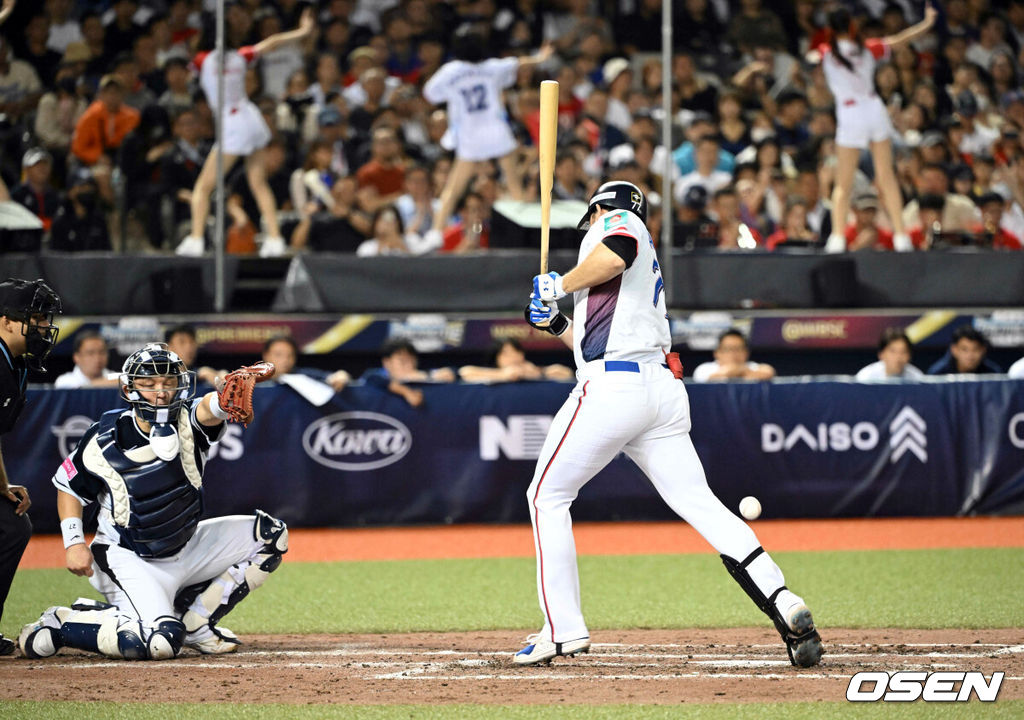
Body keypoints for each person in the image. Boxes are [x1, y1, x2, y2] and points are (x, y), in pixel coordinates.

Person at [519, 181, 822, 667]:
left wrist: (559, 284)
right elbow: (594, 340)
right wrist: (555, 323)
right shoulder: (627, 266)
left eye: (592, 215)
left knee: (545, 496)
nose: (591, 224)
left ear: (600, 208)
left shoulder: (622, 222)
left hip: (617, 390)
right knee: (702, 506)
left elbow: (616, 252)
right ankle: (784, 600)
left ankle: (562, 630)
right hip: (656, 391)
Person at [18, 343, 288, 660]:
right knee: (158, 643)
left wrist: (223, 397)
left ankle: (196, 623)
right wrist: (74, 542)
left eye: (168, 382)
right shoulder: (104, 437)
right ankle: (63, 623)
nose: (160, 392)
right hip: (127, 556)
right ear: (130, 387)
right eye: (149, 383)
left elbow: (211, 407)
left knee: (270, 535)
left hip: (185, 545)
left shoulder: (190, 420)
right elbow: (69, 487)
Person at [176, 9, 314, 259]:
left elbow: (191, 74)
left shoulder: (200, 60)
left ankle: (195, 240)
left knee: (203, 187)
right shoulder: (242, 57)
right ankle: (275, 239)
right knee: (258, 183)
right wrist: (303, 31)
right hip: (252, 118)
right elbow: (272, 43)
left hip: (232, 124)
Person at [821, 5, 937, 254]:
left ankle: (838, 237)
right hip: (873, 109)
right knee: (886, 176)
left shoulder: (826, 52)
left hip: (850, 113)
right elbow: (900, 40)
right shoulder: (867, 48)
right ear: (852, 27)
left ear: (830, 29)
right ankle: (901, 236)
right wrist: (927, 24)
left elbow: (816, 56)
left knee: (844, 181)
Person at [421, 33, 552, 248]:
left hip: (470, 133)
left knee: (453, 189)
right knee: (513, 182)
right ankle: (527, 228)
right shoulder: (492, 67)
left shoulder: (451, 71)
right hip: (495, 130)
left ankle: (435, 231)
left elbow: (430, 93)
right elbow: (519, 63)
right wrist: (540, 57)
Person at [0, 278, 61, 655]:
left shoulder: (14, 363)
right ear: (6, 321)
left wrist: (2, 485)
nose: (42, 327)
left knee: (11, 524)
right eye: (35, 318)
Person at [361, 338, 455, 408]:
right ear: (387, 363)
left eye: (412, 361)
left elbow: (448, 373)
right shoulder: (378, 375)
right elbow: (371, 378)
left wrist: (446, 374)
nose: (409, 366)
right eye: (403, 362)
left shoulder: (423, 374)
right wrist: (407, 392)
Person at [458, 338, 573, 383]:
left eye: (516, 352)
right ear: (496, 357)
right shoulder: (492, 372)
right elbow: (465, 373)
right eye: (506, 354)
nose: (513, 357)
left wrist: (539, 373)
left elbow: (566, 373)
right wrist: (503, 375)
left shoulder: (531, 370)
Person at [692, 329, 776, 382]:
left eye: (738, 349)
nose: (733, 354)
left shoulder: (751, 366)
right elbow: (707, 378)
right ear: (717, 353)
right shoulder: (705, 369)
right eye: (728, 349)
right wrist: (731, 371)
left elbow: (769, 372)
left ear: (746, 352)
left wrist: (741, 370)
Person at [54, 331, 119, 388]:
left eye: (102, 352)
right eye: (90, 353)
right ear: (76, 357)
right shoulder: (64, 381)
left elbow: (125, 380)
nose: (97, 358)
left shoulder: (113, 376)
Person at [927, 325, 1002, 375]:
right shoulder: (937, 375)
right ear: (954, 350)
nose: (970, 355)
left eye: (975, 349)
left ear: (983, 350)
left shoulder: (993, 374)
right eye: (964, 350)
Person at [856, 328, 924, 380]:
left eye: (903, 351)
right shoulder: (865, 378)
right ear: (881, 354)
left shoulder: (918, 379)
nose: (898, 357)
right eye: (893, 351)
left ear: (909, 355)